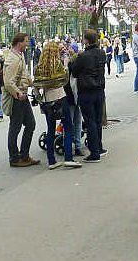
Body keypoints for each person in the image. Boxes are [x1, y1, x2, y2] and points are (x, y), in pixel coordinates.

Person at [35, 42, 81, 169]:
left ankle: (51, 161)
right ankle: (68, 158)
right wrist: (66, 66)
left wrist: (40, 100)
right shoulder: (58, 65)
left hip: (46, 101)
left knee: (50, 130)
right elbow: (65, 80)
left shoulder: (39, 67)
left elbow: (36, 86)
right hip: (60, 99)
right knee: (68, 127)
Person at [69, 30, 107, 163]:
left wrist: (75, 59)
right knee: (97, 120)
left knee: (90, 120)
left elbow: (74, 72)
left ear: (86, 40)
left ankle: (94, 152)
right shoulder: (101, 53)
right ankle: (99, 147)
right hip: (99, 90)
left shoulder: (83, 56)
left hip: (86, 91)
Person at [4, 33, 39, 168]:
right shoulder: (12, 59)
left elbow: (23, 74)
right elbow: (8, 82)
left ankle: (24, 155)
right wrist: (18, 93)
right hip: (17, 98)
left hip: (23, 95)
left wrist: (32, 83)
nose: (28, 44)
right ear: (19, 43)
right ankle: (14, 158)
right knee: (15, 128)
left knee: (30, 124)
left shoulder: (20, 56)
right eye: (26, 41)